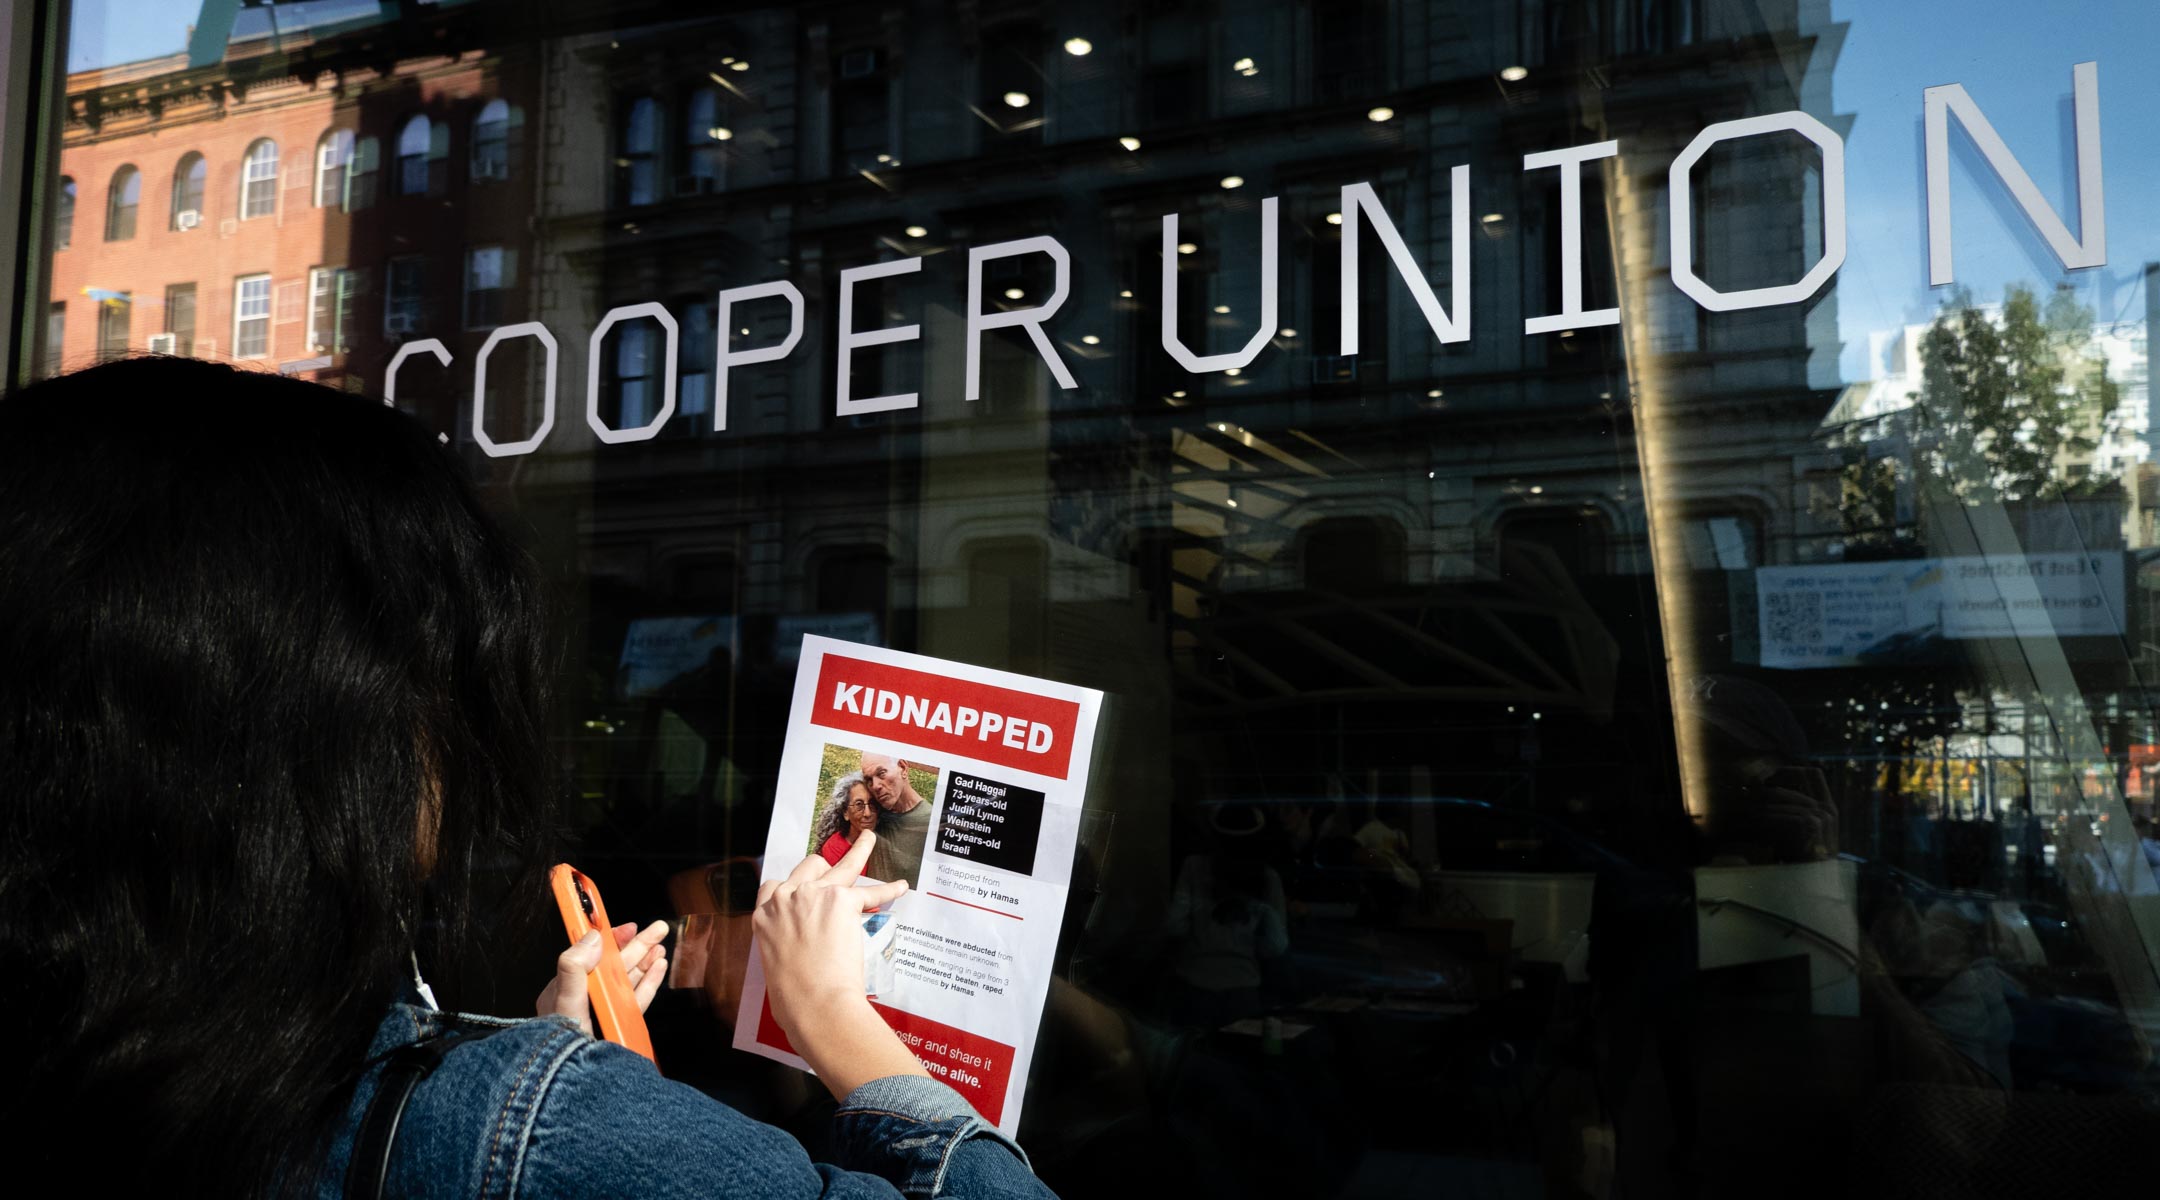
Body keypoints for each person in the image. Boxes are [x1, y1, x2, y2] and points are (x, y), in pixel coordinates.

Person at [0, 358, 1054, 1197]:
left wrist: (557, 1077)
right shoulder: (524, 1122)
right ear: (344, 738)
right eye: (432, 687)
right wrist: (832, 1018)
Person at [862, 751, 934, 885]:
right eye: (869, 780)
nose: (875, 786)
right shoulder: (870, 814)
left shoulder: (933, 823)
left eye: (881, 773)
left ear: (903, 768)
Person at [815, 773, 882, 866]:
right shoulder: (834, 848)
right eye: (859, 805)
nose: (868, 813)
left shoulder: (885, 842)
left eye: (872, 804)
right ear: (845, 812)